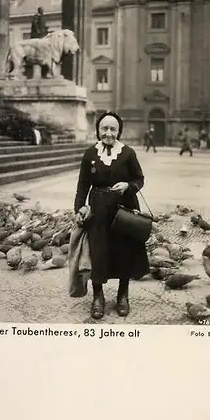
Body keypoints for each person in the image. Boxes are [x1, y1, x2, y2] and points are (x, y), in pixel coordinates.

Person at [74, 112, 150, 320]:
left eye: (113, 129)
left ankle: (122, 295)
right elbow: (83, 184)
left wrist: (128, 185)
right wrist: (79, 207)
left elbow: (139, 179)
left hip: (124, 209)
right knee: (97, 251)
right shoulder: (90, 154)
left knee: (124, 250)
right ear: (98, 131)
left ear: (119, 131)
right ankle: (97, 296)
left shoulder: (128, 153)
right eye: (104, 129)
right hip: (98, 209)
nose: (108, 133)